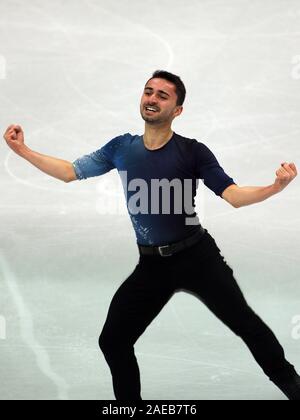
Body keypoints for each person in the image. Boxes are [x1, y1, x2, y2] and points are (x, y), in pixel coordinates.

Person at [3, 70, 300, 401]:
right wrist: (23, 151)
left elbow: (233, 195)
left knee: (249, 327)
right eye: (148, 92)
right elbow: (69, 172)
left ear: (178, 110)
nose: (152, 99)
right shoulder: (121, 148)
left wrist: (275, 187)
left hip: (198, 259)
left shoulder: (193, 152)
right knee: (113, 340)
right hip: (152, 266)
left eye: (163, 95)